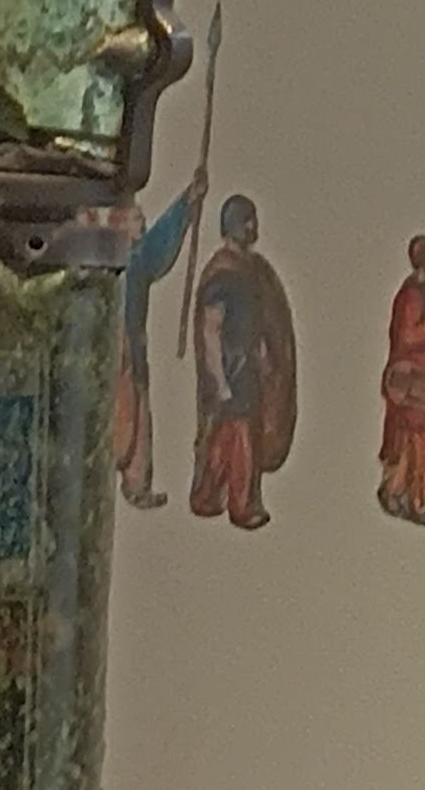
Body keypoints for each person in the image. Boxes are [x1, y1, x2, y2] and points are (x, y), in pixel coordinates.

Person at [189, 195, 298, 532]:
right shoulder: (222, 274)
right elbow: (210, 329)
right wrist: (219, 379)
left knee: (225, 437)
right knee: (242, 439)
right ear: (234, 225)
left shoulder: (251, 269)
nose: (253, 227)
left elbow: (257, 318)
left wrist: (265, 354)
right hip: (230, 370)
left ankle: (207, 495)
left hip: (247, 368)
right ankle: (243, 506)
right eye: (247, 221)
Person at [113, 177, 201, 510]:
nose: (143, 222)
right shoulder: (112, 260)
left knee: (139, 419)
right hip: (111, 354)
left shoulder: (138, 259)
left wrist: (187, 201)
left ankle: (137, 484)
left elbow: (161, 239)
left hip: (134, 351)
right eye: (136, 219)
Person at [379, 234, 425, 524]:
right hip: (410, 381)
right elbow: (408, 335)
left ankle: (397, 492)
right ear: (424, 261)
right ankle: (417, 502)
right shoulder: (412, 295)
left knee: (412, 440)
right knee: (419, 441)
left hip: (423, 379)